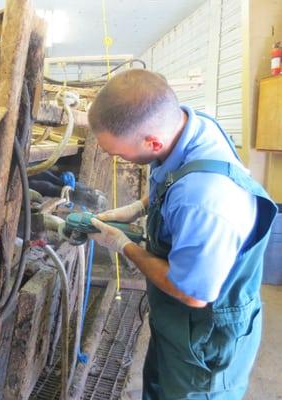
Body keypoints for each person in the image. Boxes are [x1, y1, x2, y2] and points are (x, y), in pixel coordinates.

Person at [86, 69, 277, 399]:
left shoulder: (203, 201)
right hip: (175, 322)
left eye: (118, 154)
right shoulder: (190, 125)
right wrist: (139, 207)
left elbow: (192, 293)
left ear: (153, 142)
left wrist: (124, 245)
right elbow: (172, 172)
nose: (111, 157)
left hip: (205, 339)